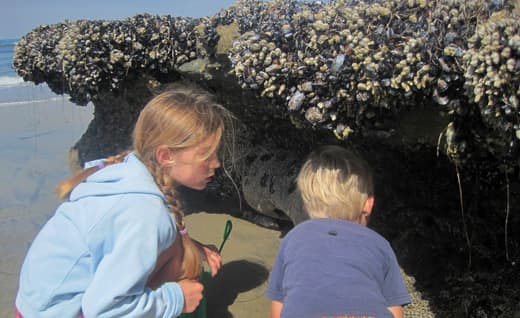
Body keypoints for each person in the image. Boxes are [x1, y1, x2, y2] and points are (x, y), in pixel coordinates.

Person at [15, 85, 233, 317]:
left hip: (35, 304)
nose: (216, 163)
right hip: (60, 312)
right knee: (177, 267)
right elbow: (105, 309)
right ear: (166, 156)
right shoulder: (143, 212)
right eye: (206, 154)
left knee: (177, 252)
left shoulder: (125, 170)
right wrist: (177, 298)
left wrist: (191, 246)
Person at [266, 145, 411, 318]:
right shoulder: (380, 244)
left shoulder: (293, 238)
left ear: (305, 206)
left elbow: (279, 305)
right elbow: (395, 310)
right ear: (368, 204)